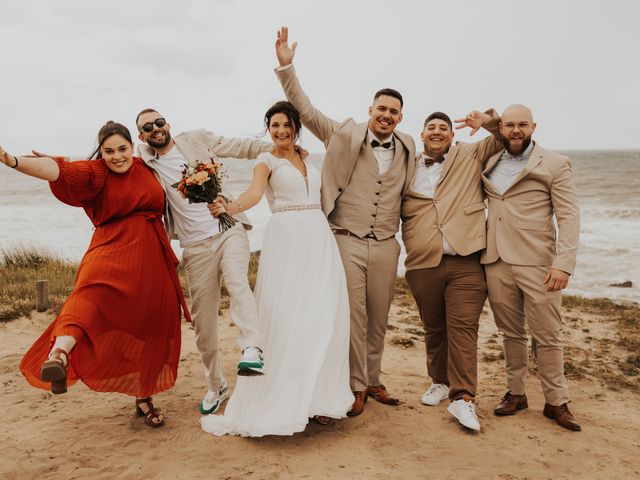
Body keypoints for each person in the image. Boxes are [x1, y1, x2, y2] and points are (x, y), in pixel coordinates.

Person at [2, 121, 190, 428]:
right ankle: (59, 355)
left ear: (133, 147)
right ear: (100, 153)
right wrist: (12, 160)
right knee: (88, 297)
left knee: (152, 325)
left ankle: (144, 397)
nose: (116, 156)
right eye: (108, 151)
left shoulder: (146, 167)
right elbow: (56, 171)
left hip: (151, 259)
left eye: (122, 149)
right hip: (110, 250)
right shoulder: (95, 173)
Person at [274, 27, 416, 416]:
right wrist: (287, 68)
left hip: (386, 242)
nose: (386, 115)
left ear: (400, 117)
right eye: (380, 109)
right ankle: (355, 386)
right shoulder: (342, 134)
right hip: (347, 238)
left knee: (379, 315)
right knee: (351, 314)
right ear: (370, 110)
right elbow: (304, 110)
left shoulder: (408, 145)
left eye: (393, 111)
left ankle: (374, 378)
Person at [200, 101, 353, 436]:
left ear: (296, 126)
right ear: (268, 129)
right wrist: (231, 206)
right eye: (274, 126)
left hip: (318, 237)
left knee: (321, 312)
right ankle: (283, 400)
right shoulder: (264, 160)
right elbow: (255, 194)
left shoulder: (307, 156)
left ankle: (317, 398)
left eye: (286, 124)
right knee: (286, 314)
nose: (280, 131)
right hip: (287, 238)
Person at [135, 109, 274, 415]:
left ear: (168, 124)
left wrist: (280, 146)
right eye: (148, 127)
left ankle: (252, 347)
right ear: (142, 136)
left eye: (159, 122)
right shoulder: (144, 163)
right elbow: (114, 166)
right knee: (203, 324)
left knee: (238, 282)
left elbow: (241, 147)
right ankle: (216, 385)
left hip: (229, 228)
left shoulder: (195, 139)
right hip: (194, 248)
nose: (156, 128)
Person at [482, 104, 581, 431]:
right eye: (509, 125)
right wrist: (487, 123)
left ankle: (556, 401)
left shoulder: (555, 163)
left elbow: (568, 217)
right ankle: (516, 393)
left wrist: (563, 265)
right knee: (510, 332)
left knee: (548, 335)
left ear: (533, 127)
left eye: (522, 125)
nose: (515, 130)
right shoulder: (492, 160)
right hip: (496, 260)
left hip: (539, 263)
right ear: (502, 127)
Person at [402, 110, 502, 431]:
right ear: (421, 135)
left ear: (452, 135)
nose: (436, 131)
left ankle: (464, 399)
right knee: (433, 327)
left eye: (443, 127)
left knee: (463, 328)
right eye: (430, 127)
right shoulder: (408, 165)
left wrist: (486, 120)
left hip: (466, 258)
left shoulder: (469, 154)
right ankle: (440, 382)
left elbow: (501, 138)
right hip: (422, 260)